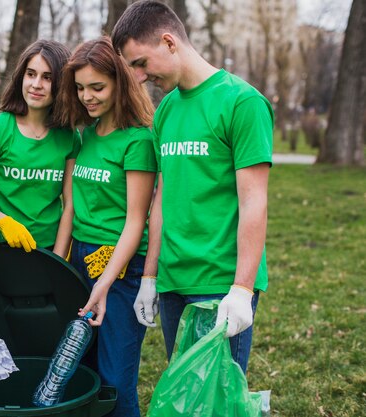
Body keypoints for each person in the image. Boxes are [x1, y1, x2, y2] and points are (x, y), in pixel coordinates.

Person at [111, 0, 273, 374]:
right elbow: (162, 199)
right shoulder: (166, 110)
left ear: (169, 42)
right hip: (172, 280)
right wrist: (150, 277)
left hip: (220, 283)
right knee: (185, 394)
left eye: (140, 63)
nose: (138, 77)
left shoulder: (242, 102)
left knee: (217, 397)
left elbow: (254, 202)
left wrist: (242, 289)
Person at [55, 36, 156, 417]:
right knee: (82, 369)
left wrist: (106, 282)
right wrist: (60, 262)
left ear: (120, 82)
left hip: (120, 265)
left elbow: (136, 221)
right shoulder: (85, 135)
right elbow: (73, 204)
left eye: (97, 87)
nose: (87, 96)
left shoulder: (138, 140)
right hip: (81, 258)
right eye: (80, 88)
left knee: (115, 379)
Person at [0, 40, 78, 257]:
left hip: (48, 251)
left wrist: (59, 257)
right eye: (31, 74)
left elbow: (70, 204)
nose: (36, 84)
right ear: (21, 77)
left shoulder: (70, 136)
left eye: (47, 77)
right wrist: (2, 221)